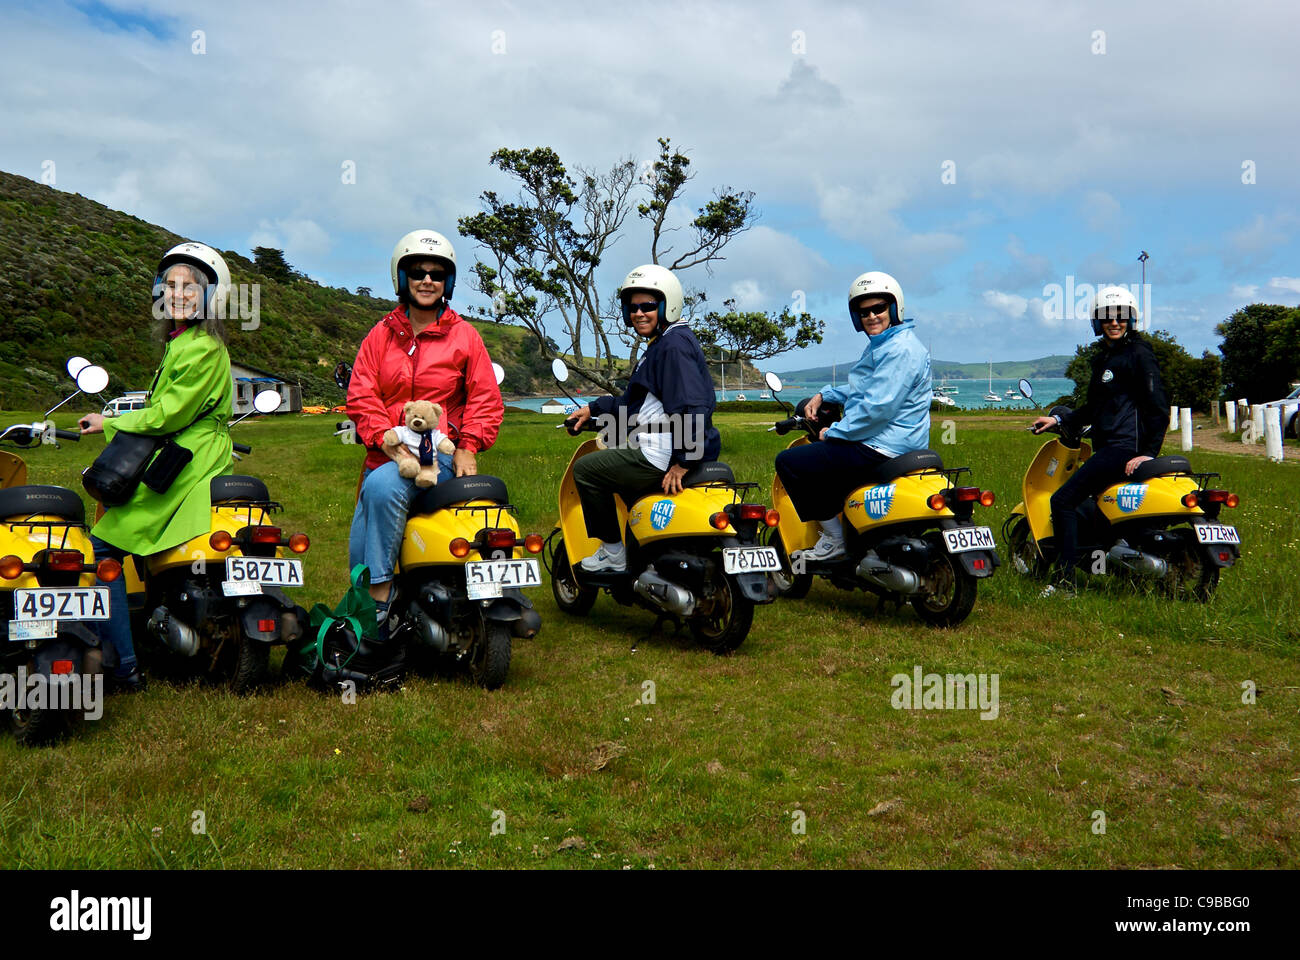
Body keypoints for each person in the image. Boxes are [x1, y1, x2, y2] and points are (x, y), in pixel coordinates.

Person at [79, 241, 236, 691]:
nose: (178, 293)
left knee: (104, 548)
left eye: (190, 287)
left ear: (210, 297)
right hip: (183, 450)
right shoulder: (184, 343)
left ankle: (125, 667)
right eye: (170, 285)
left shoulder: (201, 346)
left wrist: (108, 420)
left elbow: (167, 414)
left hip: (186, 456)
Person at [346, 229, 503, 630]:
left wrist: (467, 446)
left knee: (382, 488)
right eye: (418, 271)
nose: (427, 280)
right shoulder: (379, 335)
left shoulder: (465, 336)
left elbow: (485, 398)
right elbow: (363, 396)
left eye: (437, 273)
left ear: (447, 281)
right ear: (403, 278)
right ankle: (375, 597)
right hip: (386, 456)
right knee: (357, 552)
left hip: (440, 456)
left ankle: (381, 602)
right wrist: (390, 444)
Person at [566, 264, 720, 573]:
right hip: (666, 449)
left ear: (667, 305)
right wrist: (595, 409)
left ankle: (611, 551)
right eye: (633, 307)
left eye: (648, 306)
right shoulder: (665, 344)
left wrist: (682, 461)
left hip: (658, 455)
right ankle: (646, 554)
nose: (639, 313)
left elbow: (691, 406)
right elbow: (637, 404)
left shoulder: (672, 347)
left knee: (585, 470)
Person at [774, 271, 931, 562]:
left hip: (880, 446)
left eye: (878, 308)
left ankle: (835, 540)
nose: (871, 316)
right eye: (864, 311)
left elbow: (876, 410)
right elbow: (869, 389)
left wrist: (832, 433)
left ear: (895, 309)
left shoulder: (899, 350)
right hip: (897, 443)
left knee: (790, 462)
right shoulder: (888, 344)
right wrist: (826, 394)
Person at [1030, 285, 1168, 592]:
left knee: (1062, 501)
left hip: (1123, 450)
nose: (1114, 322)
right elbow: (1094, 408)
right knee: (1094, 504)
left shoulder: (1139, 354)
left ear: (1131, 320)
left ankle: (1065, 582)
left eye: (1121, 317)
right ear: (1098, 322)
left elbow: (1158, 407)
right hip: (1111, 448)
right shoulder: (1106, 357)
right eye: (1108, 317)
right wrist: (1059, 418)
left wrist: (1146, 453)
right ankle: (1105, 560)